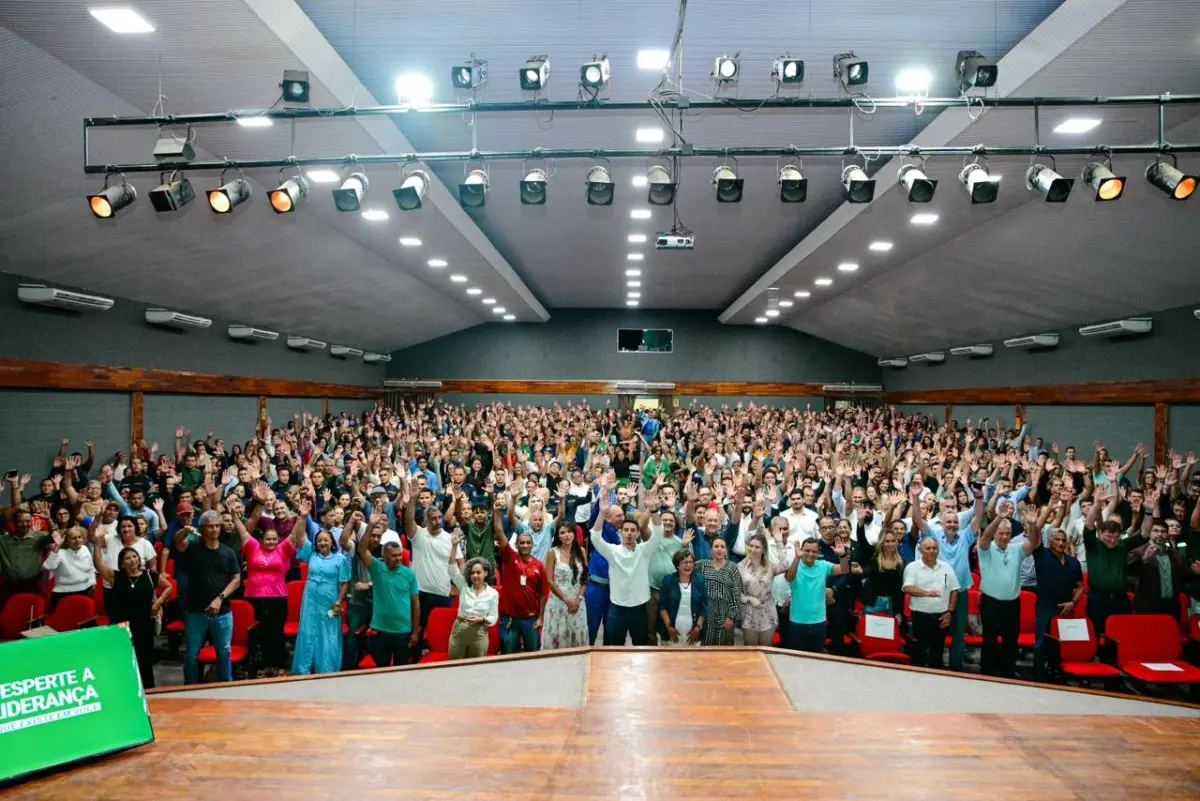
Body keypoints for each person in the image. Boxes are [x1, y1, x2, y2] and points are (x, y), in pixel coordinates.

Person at [236, 485, 307, 676]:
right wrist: (234, 516)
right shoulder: (252, 548)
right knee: (259, 632)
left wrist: (302, 517)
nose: (271, 542)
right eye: (268, 539)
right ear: (262, 540)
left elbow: (294, 535)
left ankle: (277, 664)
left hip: (277, 597)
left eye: (274, 539)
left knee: (276, 633)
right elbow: (243, 532)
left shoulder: (283, 550)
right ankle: (258, 665)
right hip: (255, 598)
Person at [91, 535, 172, 688]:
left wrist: (158, 602)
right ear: (122, 562)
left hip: (145, 624)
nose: (133, 560)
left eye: (135, 556)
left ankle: (149, 692)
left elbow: (168, 586)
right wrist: (96, 545)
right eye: (128, 558)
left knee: (145, 661)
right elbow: (98, 564)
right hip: (123, 625)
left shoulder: (149, 575)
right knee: (126, 660)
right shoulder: (116, 577)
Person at [589, 475, 662, 645]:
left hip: (639, 607)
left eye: (633, 530)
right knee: (614, 647)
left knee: (641, 646)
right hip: (617, 608)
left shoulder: (644, 550)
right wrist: (601, 512)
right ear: (620, 533)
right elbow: (595, 537)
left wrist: (653, 510)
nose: (629, 533)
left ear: (638, 533)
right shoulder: (612, 551)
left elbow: (658, 533)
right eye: (626, 530)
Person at [172, 510, 242, 685]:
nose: (214, 529)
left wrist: (220, 598)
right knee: (191, 656)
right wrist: (186, 530)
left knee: (224, 653)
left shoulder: (228, 552)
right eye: (210, 526)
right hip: (195, 611)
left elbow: (236, 579)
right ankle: (190, 689)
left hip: (222, 611)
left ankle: (226, 686)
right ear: (202, 528)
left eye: (217, 526)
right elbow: (177, 542)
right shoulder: (193, 548)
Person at [977, 512, 1041, 678]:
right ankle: (987, 673)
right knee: (989, 639)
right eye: (1001, 533)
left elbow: (1033, 543)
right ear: (995, 533)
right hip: (990, 602)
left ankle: (1008, 673)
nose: (1004, 537)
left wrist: (1033, 525)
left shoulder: (1016, 549)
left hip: (1012, 603)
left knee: (1011, 640)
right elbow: (984, 536)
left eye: (1007, 533)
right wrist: (998, 518)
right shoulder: (986, 548)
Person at [356, 512, 420, 667]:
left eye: (399, 555)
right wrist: (370, 525)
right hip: (380, 631)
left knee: (401, 671)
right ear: (384, 556)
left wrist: (415, 631)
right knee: (381, 671)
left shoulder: (409, 573)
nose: (398, 558)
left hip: (402, 631)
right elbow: (362, 550)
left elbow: (415, 604)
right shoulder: (377, 568)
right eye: (394, 556)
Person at [1081, 484, 1145, 636]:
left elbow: (1144, 534)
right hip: (1098, 599)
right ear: (1100, 533)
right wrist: (1096, 503)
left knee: (1121, 636)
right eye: (1108, 536)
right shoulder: (1093, 544)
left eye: (1116, 537)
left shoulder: (1123, 544)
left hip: (1120, 600)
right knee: (1094, 635)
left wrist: (1148, 511)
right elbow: (1089, 525)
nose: (1112, 540)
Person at [492, 497, 548, 654]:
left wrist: (540, 617)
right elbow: (499, 531)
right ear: (516, 545)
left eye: (528, 543)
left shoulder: (539, 565)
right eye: (521, 543)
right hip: (509, 618)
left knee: (532, 654)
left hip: (530, 618)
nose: (525, 545)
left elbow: (543, 593)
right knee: (508, 655)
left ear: (532, 545)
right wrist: (496, 512)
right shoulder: (509, 557)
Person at [292, 528, 350, 675]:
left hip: (329, 601)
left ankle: (326, 669)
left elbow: (344, 583)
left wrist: (338, 602)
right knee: (307, 631)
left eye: (326, 540)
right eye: (319, 540)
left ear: (332, 542)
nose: (322, 543)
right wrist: (303, 517)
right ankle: (304, 668)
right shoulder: (311, 555)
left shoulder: (340, 559)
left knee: (327, 634)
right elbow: (299, 538)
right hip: (310, 601)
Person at [1030, 527, 1083, 681]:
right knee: (1040, 643)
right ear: (1049, 541)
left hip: (1064, 609)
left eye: (1063, 540)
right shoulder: (1041, 554)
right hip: (1044, 607)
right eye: (1056, 540)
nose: (1060, 543)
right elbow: (1035, 535)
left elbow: (1080, 587)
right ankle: (1038, 676)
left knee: (1060, 644)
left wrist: (1073, 602)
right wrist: (1034, 523)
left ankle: (1058, 673)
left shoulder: (1073, 563)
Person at [783, 536, 851, 652]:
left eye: (814, 551)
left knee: (816, 661)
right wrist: (796, 558)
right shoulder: (795, 565)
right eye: (807, 550)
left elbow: (844, 570)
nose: (810, 554)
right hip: (798, 622)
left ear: (818, 552)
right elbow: (789, 577)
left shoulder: (823, 565)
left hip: (818, 622)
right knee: (796, 661)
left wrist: (843, 555)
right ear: (801, 551)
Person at [901, 538, 959, 669]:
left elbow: (954, 590)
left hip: (942, 617)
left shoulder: (947, 567)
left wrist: (950, 612)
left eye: (934, 548)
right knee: (919, 654)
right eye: (928, 548)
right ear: (921, 550)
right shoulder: (912, 567)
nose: (932, 551)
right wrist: (926, 593)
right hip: (920, 617)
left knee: (937, 655)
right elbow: (907, 588)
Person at [447, 531, 499, 660]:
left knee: (476, 667)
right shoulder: (464, 585)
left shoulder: (493, 594)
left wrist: (481, 620)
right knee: (454, 663)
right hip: (460, 628)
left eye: (479, 572)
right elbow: (452, 569)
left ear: (485, 573)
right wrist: (454, 546)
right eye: (472, 573)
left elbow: (493, 616)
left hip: (479, 631)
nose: (475, 575)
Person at [542, 521, 589, 650]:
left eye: (569, 531)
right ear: (558, 536)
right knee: (558, 636)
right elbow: (550, 581)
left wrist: (578, 599)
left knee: (576, 637)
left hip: (577, 602)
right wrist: (565, 599)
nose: (566, 535)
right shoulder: (552, 552)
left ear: (574, 534)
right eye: (562, 532)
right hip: (558, 602)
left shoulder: (582, 551)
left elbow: (585, 578)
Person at [738, 530, 788, 646]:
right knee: (750, 652)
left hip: (768, 612)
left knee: (766, 650)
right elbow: (736, 592)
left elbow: (785, 565)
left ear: (763, 550)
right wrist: (749, 599)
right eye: (751, 546)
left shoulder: (770, 566)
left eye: (757, 547)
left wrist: (779, 542)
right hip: (749, 612)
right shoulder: (741, 566)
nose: (752, 549)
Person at [694, 535, 743, 646]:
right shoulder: (702, 565)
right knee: (706, 650)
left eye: (722, 547)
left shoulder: (732, 568)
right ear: (711, 549)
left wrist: (731, 617)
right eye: (716, 546)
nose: (719, 549)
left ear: (726, 550)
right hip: (706, 616)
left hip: (725, 616)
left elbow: (736, 594)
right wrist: (685, 544)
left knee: (724, 653)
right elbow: (685, 564)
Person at [657, 549, 706, 646]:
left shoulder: (700, 580)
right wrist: (669, 627)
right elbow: (662, 606)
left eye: (690, 562)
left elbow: (704, 606)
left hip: (693, 631)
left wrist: (697, 627)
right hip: (671, 630)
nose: (688, 565)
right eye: (685, 562)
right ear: (677, 565)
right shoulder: (667, 580)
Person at [42, 525, 96, 610]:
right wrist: (57, 548)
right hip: (63, 594)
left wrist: (93, 582)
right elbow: (48, 566)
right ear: (66, 541)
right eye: (74, 538)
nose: (78, 540)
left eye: (79, 537)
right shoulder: (60, 553)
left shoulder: (85, 549)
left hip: (85, 591)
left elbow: (91, 569)